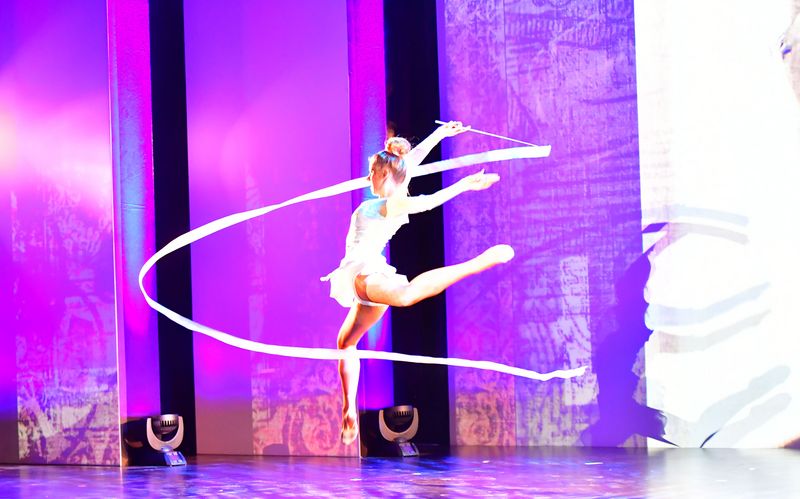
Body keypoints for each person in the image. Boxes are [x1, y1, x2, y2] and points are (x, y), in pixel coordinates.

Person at [322, 121, 515, 444]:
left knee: (407, 295)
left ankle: (478, 263)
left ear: (385, 175)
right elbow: (410, 163)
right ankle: (348, 408)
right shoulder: (393, 189)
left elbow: (427, 200)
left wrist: (464, 185)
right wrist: (440, 133)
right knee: (346, 343)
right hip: (369, 281)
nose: (368, 179)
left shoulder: (392, 202)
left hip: (364, 275)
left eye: (372, 173)